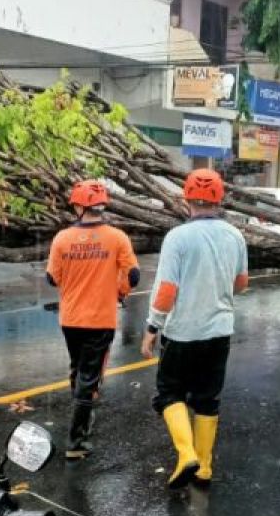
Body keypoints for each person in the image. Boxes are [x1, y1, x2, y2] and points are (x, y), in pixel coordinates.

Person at [141, 169, 248, 490]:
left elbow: (166, 291)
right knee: (207, 400)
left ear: (186, 199)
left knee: (169, 393)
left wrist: (151, 327)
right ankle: (204, 468)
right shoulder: (235, 235)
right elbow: (241, 284)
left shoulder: (178, 237)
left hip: (182, 333)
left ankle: (186, 453)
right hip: (219, 333)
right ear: (219, 200)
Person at [46, 180, 139, 460]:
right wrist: (121, 290)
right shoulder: (117, 238)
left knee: (78, 368)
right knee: (90, 376)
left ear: (79, 206)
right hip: (100, 319)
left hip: (71, 319)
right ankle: (76, 441)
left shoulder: (62, 238)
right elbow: (133, 275)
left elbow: (52, 278)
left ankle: (82, 413)